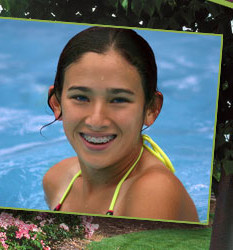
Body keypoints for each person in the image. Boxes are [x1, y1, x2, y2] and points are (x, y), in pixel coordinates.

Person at [43, 26, 199, 222]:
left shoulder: (155, 192)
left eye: (118, 100)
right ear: (57, 104)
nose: (96, 121)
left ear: (151, 109)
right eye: (81, 97)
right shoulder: (56, 179)